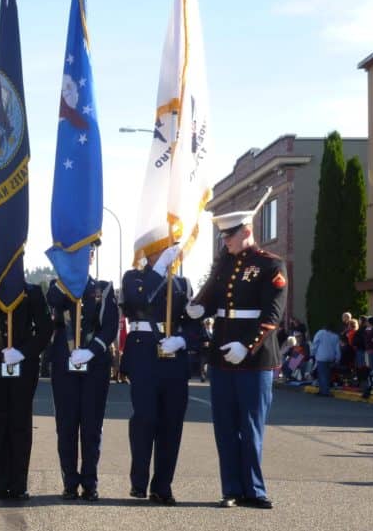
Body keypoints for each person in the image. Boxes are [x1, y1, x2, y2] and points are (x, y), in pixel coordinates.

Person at [187, 201, 286, 510]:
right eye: (223, 237)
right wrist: (198, 306)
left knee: (251, 425)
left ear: (246, 231)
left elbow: (272, 315)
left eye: (229, 236)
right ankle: (231, 488)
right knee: (225, 426)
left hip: (255, 359)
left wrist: (248, 345)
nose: (225, 242)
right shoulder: (224, 263)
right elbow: (211, 294)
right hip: (221, 356)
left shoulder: (271, 264)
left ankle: (254, 490)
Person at [120, 243, 197, 505]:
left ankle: (162, 485)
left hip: (173, 356)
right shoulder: (134, 278)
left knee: (172, 422)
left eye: (170, 250)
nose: (168, 254)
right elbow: (138, 300)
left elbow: (196, 325)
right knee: (145, 417)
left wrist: (182, 340)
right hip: (143, 353)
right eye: (161, 249)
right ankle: (139, 481)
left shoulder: (183, 284)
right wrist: (159, 268)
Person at [0, 268, 53, 502]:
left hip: (22, 365)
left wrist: (24, 353)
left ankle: (19, 484)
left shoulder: (33, 292)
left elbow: (45, 329)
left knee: (20, 423)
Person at [48, 241, 119, 501]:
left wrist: (92, 350)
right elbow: (53, 303)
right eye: (77, 252)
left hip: (94, 366)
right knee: (66, 426)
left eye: (88, 253)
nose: (85, 257)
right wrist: (68, 277)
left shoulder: (103, 289)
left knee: (91, 426)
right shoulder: (59, 286)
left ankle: (90, 481)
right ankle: (69, 480)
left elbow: (110, 326)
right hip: (64, 365)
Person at [311, 323, 342, 396]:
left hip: (321, 357)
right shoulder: (336, 336)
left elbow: (315, 344)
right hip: (331, 357)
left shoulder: (320, 333)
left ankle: (324, 391)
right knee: (327, 374)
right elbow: (337, 349)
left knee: (322, 374)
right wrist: (338, 358)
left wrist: (312, 353)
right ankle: (324, 390)